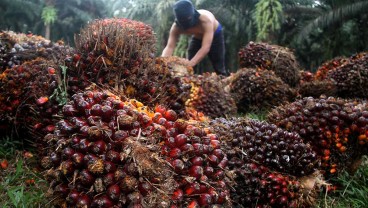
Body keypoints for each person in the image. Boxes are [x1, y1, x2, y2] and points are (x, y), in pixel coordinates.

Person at [161, 0, 229, 76]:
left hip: (215, 35)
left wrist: (190, 64)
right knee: (189, 63)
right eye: (183, 21)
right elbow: (169, 47)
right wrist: (162, 63)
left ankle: (223, 79)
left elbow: (205, 47)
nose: (186, 23)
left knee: (218, 65)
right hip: (198, 37)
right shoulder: (176, 27)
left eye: (188, 19)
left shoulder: (205, 21)